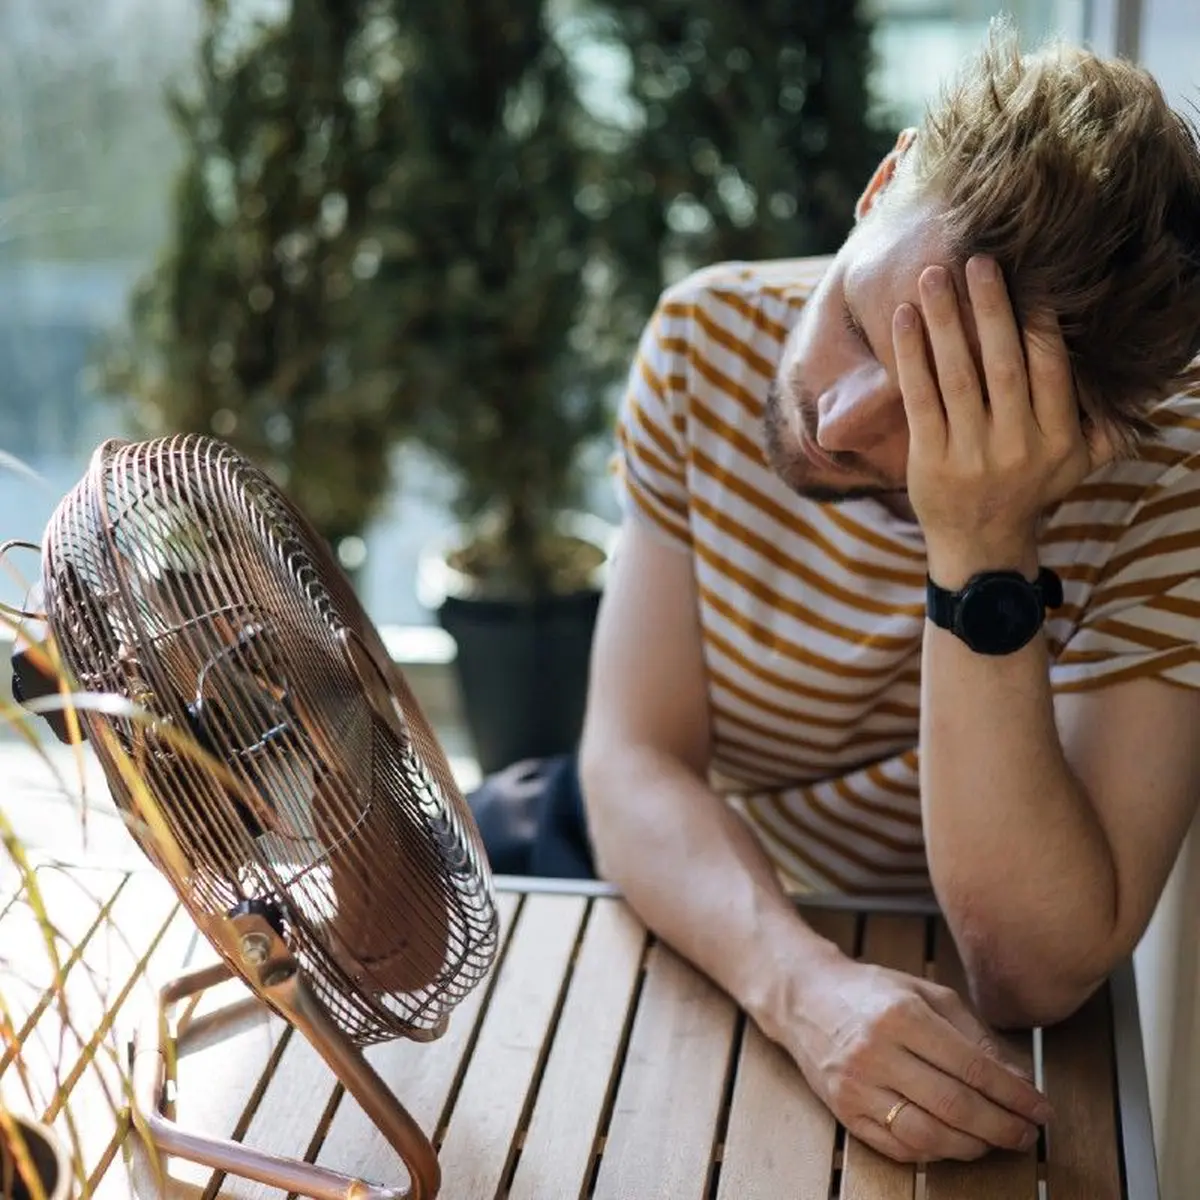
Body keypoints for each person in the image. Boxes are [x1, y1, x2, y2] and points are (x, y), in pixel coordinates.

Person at [562, 21, 1200, 1167]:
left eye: (939, 403)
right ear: (879, 185)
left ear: (1088, 436)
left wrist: (982, 545)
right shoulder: (705, 338)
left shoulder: (1168, 482)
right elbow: (630, 759)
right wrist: (807, 992)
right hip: (720, 908)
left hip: (944, 986)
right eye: (860, 321)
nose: (840, 417)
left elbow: (1030, 967)